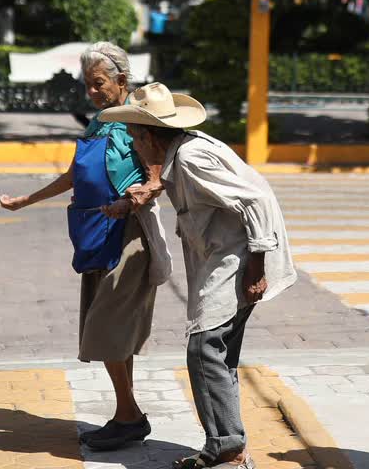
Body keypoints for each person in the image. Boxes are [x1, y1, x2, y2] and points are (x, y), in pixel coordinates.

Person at [99, 82, 297, 469]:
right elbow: (174, 179)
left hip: (241, 258)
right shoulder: (183, 150)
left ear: (151, 137)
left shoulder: (190, 158)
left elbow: (253, 201)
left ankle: (229, 450)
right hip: (230, 257)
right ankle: (227, 445)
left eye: (136, 138)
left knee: (205, 350)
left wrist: (256, 265)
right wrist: (144, 192)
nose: (134, 147)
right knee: (218, 356)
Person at [0, 42, 171, 450]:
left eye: (99, 84)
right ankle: (126, 415)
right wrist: (29, 199)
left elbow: (157, 176)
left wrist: (131, 200)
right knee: (109, 329)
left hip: (127, 237)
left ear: (122, 81)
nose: (91, 92)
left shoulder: (138, 122)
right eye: (88, 85)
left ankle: (129, 416)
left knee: (106, 326)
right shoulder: (99, 122)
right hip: (95, 235)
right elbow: (75, 174)